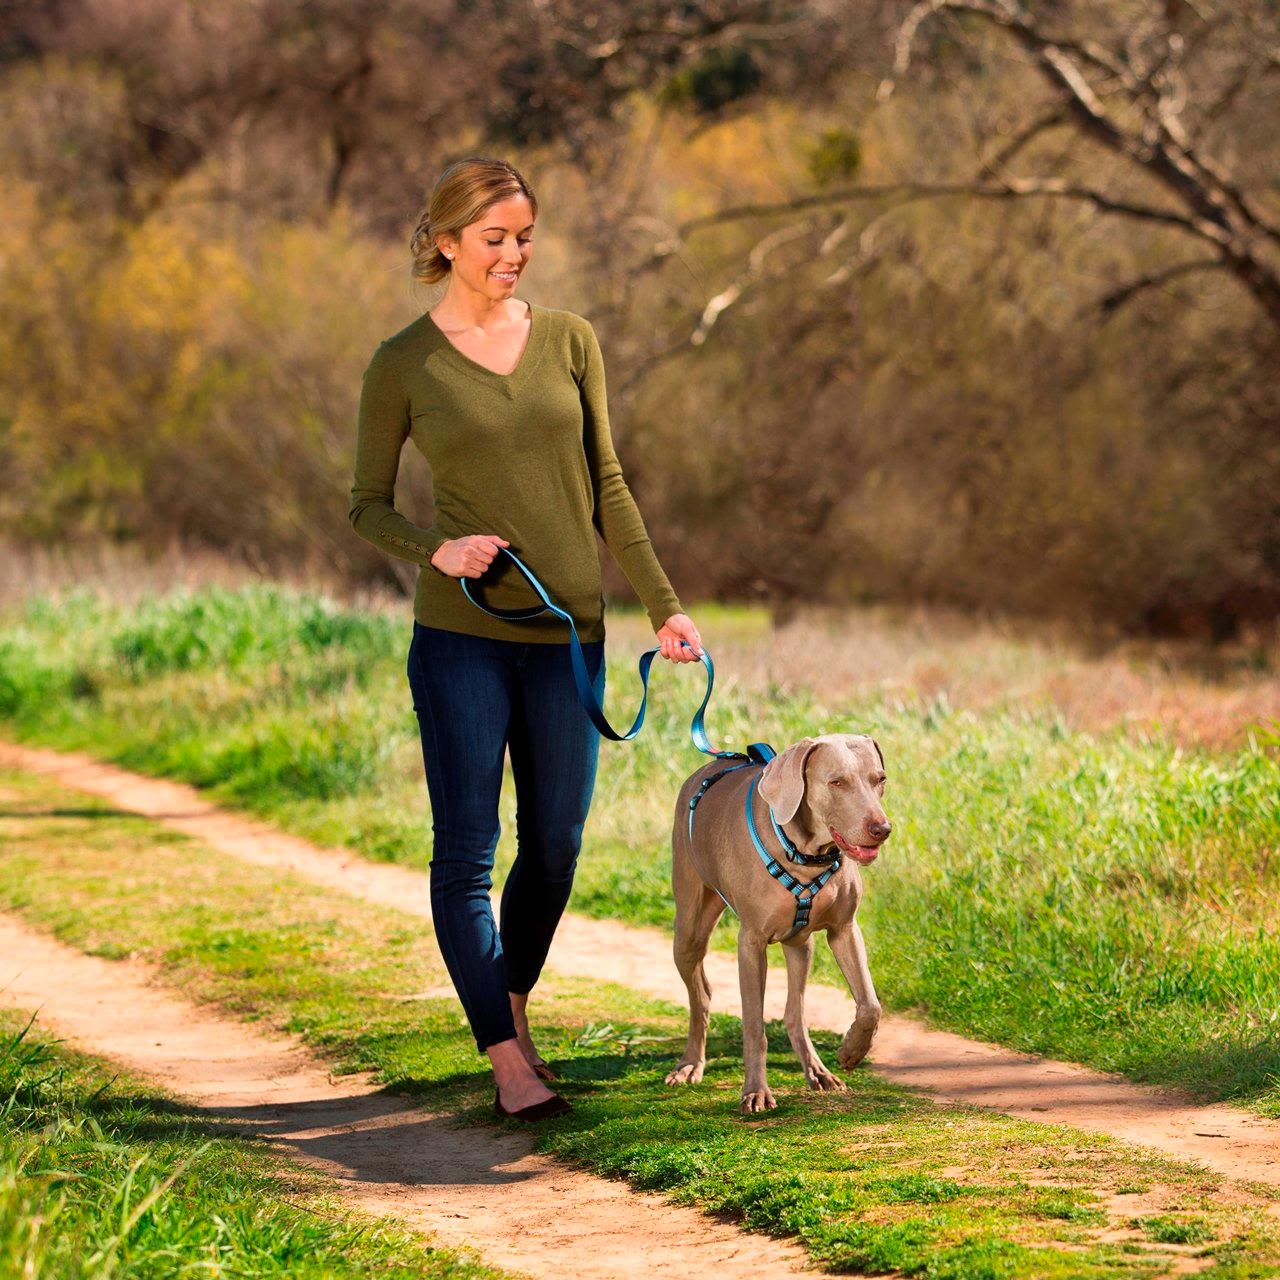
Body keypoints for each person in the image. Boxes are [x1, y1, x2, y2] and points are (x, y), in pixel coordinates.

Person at [348, 156, 703, 1120]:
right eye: (495, 239)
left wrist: (661, 605)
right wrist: (438, 549)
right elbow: (367, 507)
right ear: (447, 242)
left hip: (570, 640)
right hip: (461, 641)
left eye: (525, 237)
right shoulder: (403, 364)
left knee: (554, 847)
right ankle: (505, 1059)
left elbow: (610, 485)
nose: (514, 255)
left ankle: (504, 1004)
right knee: (467, 851)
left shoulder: (571, 341)